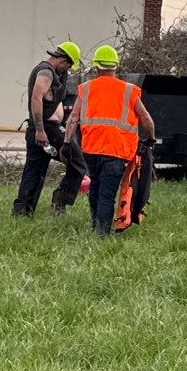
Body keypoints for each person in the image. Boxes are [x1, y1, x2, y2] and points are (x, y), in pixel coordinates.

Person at [66, 44, 155, 238]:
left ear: (96, 67)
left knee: (95, 188)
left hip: (91, 149)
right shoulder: (129, 91)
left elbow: (73, 117)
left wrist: (66, 142)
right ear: (116, 66)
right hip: (117, 152)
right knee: (107, 194)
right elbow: (146, 119)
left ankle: (94, 225)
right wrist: (151, 138)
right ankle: (102, 233)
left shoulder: (86, 88)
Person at [12, 41, 88, 217]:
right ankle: (60, 201)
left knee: (35, 170)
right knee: (78, 162)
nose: (67, 70)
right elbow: (36, 98)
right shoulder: (46, 72)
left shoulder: (55, 73)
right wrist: (40, 130)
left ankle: (22, 212)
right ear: (62, 60)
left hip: (43, 129)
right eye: (68, 65)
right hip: (46, 129)